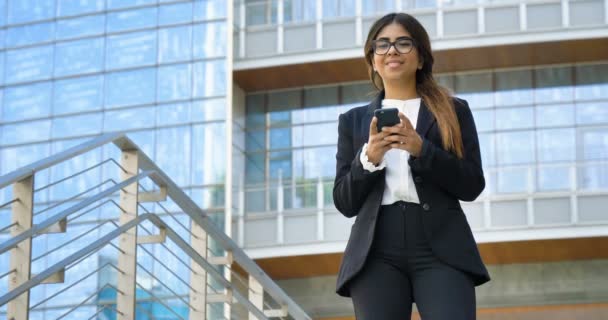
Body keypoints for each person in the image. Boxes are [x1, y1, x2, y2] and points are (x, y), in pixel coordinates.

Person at [332, 12, 491, 320]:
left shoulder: (453, 111)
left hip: (442, 245)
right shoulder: (353, 121)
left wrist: (422, 150)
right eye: (383, 45)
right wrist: (369, 159)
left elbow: (472, 184)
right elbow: (344, 202)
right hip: (376, 251)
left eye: (404, 43)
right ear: (373, 60)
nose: (392, 50)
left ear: (420, 59)